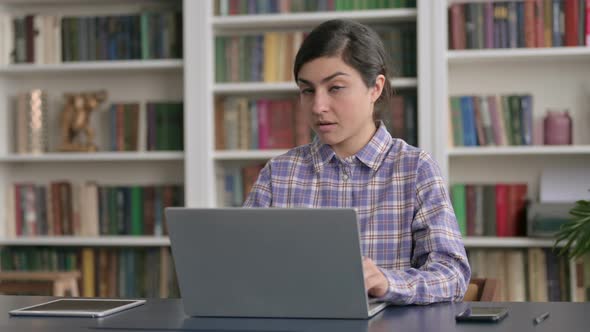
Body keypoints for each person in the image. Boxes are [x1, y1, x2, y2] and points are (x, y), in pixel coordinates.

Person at [243, 19, 470, 305]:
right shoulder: (279, 174)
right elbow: (243, 268)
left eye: (335, 88)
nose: (318, 107)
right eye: (308, 90)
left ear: (375, 88)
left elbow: (453, 274)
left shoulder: (415, 169)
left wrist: (387, 282)